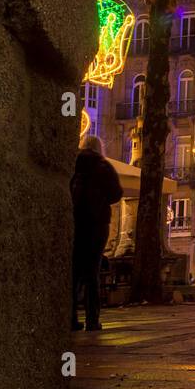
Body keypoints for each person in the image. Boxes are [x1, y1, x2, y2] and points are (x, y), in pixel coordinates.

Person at [70, 134, 123, 332]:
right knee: (92, 272)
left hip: (76, 222)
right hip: (97, 224)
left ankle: (71, 318)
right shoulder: (104, 166)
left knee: (74, 272)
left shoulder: (74, 164)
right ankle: (92, 320)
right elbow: (116, 193)